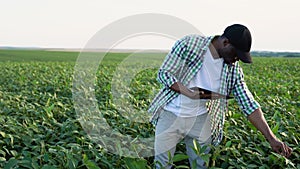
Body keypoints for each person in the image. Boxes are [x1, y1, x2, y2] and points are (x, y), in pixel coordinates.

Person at [148, 24, 292, 168]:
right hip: (170, 114)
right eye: (236, 54)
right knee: (162, 165)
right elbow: (164, 73)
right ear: (225, 43)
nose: (236, 60)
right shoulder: (190, 45)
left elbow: (249, 104)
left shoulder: (232, 70)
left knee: (201, 165)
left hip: (200, 119)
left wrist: (272, 139)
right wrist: (189, 93)